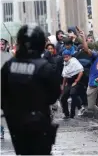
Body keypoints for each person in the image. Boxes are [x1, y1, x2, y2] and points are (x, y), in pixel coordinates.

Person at [1, 24, 60, 155]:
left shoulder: (8, 65)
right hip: (38, 121)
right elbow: (54, 95)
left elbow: (2, 94)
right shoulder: (44, 67)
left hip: (15, 121)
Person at [60, 49, 84, 119]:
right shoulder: (65, 63)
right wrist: (63, 85)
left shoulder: (74, 62)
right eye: (64, 57)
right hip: (69, 81)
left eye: (66, 57)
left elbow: (81, 71)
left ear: (70, 56)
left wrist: (76, 81)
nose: (65, 58)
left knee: (73, 93)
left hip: (77, 80)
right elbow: (65, 75)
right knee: (63, 97)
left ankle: (76, 110)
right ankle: (66, 113)